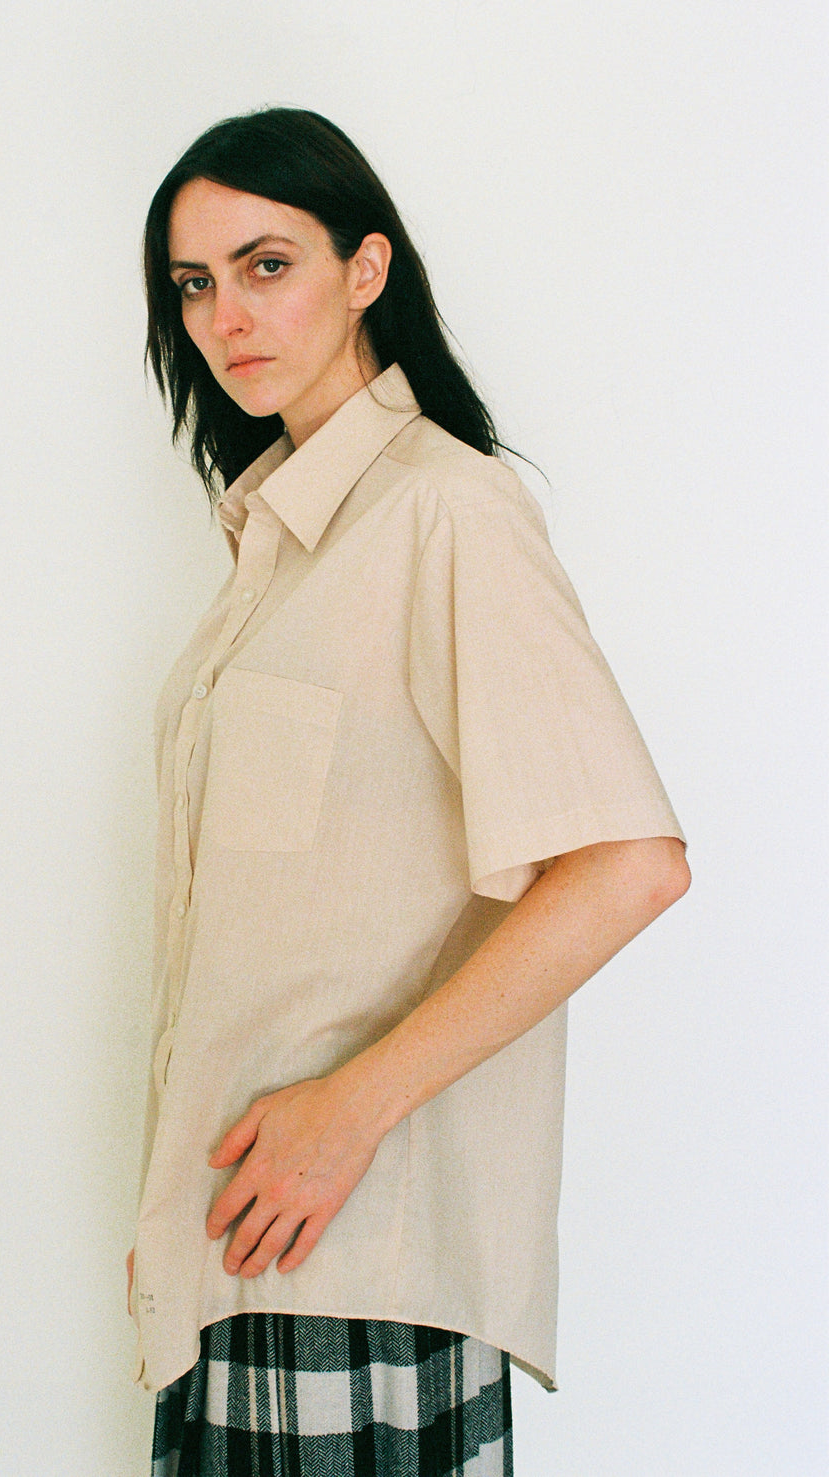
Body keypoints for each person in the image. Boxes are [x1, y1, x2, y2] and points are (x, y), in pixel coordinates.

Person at [127, 106, 689, 1477]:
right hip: (239, 1248)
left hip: (361, 1259)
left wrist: (350, 1108)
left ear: (366, 269)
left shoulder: (446, 511)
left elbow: (628, 862)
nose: (224, 316)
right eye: (194, 284)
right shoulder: (273, 550)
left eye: (268, 264)